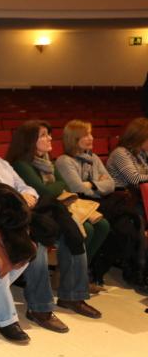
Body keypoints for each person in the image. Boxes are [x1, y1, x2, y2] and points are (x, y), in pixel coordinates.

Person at [0, 122, 100, 340]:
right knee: (33, 247)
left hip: (23, 216)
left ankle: (73, 296)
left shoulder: (1, 164)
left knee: (71, 233)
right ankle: (34, 310)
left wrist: (28, 196)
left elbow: (25, 186)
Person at [6, 120, 110, 290]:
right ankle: (67, 279)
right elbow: (43, 192)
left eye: (49, 134)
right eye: (43, 135)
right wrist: (55, 188)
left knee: (103, 225)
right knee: (87, 230)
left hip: (58, 207)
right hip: (41, 212)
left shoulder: (47, 162)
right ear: (30, 140)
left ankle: (77, 275)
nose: (49, 138)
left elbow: (65, 187)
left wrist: (54, 188)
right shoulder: (21, 165)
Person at [57, 120, 148, 293]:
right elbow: (78, 188)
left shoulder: (94, 158)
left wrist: (91, 185)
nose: (91, 138)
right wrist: (97, 184)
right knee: (126, 223)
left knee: (131, 223)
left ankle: (135, 272)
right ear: (73, 138)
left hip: (104, 203)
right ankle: (122, 271)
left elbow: (110, 185)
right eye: (86, 135)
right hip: (81, 206)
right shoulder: (64, 160)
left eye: (91, 134)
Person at [106, 117, 148, 190]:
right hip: (122, 196)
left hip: (137, 193)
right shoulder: (120, 152)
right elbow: (134, 179)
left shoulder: (141, 152)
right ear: (139, 137)